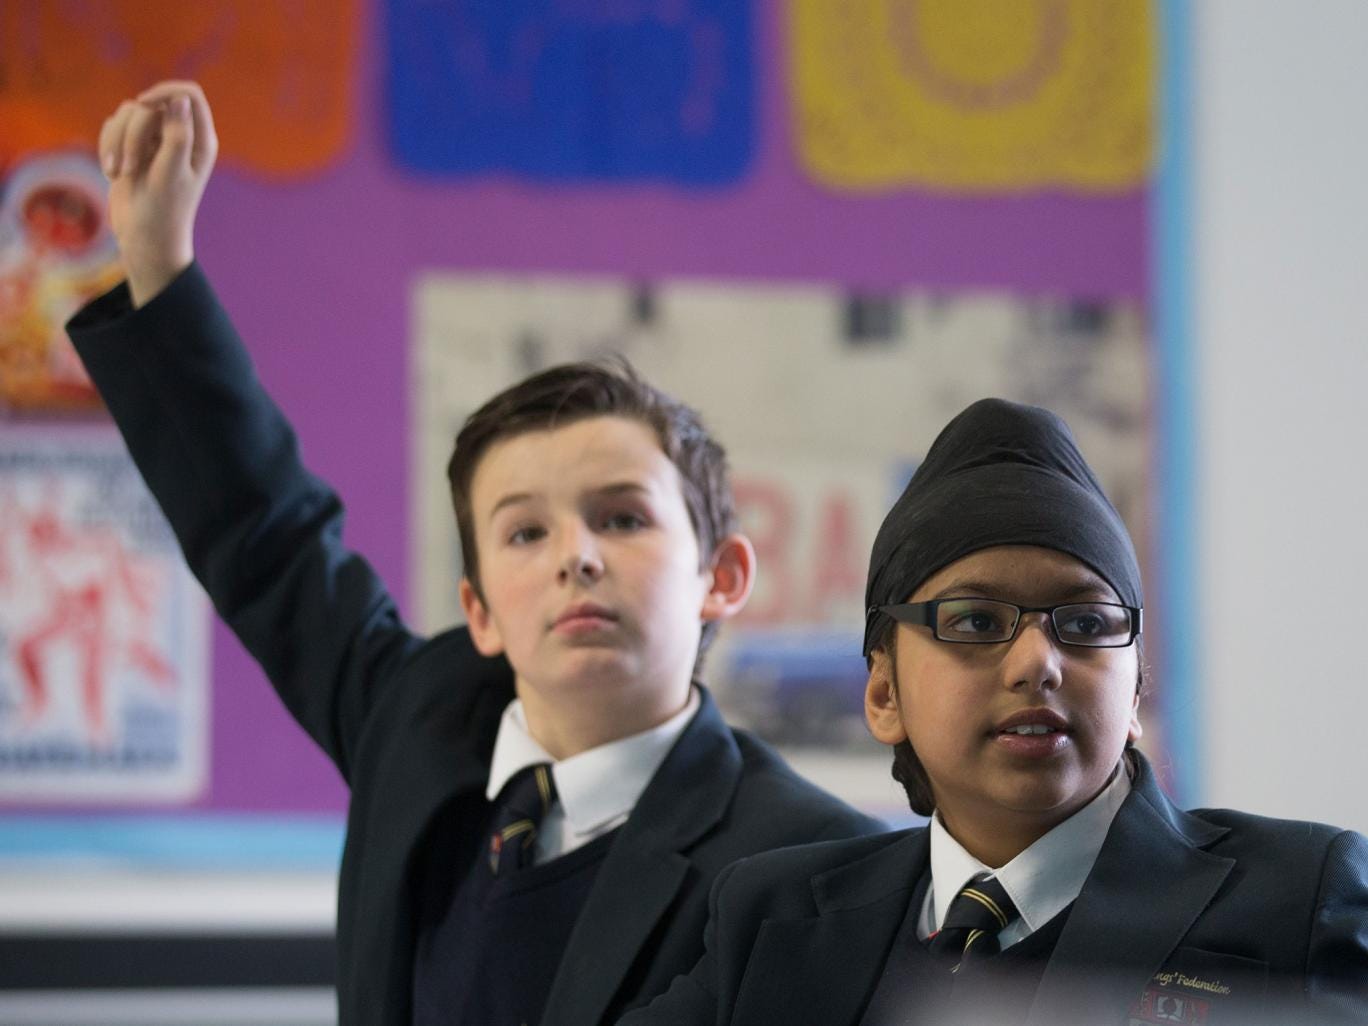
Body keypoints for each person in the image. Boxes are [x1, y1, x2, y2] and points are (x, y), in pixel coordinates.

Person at [67, 81, 882, 1026]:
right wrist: (159, 265)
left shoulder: (809, 871)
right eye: (526, 531)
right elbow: (264, 534)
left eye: (622, 518)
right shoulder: (415, 722)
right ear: (482, 610)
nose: (576, 556)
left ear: (722, 575)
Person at [621, 398, 1368, 1026]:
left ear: (1136, 689)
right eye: (975, 623)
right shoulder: (772, 919)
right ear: (884, 694)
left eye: (1084, 624)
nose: (1037, 663)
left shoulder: (1298, 900)